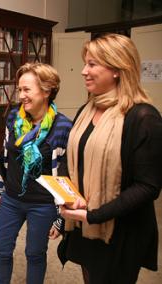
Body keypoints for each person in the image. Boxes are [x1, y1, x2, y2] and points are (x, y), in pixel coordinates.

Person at [59, 33, 162, 283]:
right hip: (84, 223)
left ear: (118, 69)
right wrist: (68, 196)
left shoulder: (143, 118)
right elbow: (71, 157)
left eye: (92, 64)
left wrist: (94, 215)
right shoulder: (87, 109)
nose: (83, 71)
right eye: (85, 63)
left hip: (120, 231)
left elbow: (148, 187)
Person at [0, 63, 72, 284]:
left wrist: (60, 217)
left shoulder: (63, 126)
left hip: (43, 204)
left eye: (26, 90)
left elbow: (66, 176)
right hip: (11, 199)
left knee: (35, 254)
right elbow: (5, 156)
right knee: (1, 249)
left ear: (46, 91)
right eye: (19, 90)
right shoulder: (13, 119)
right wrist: (0, 190)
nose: (21, 96)